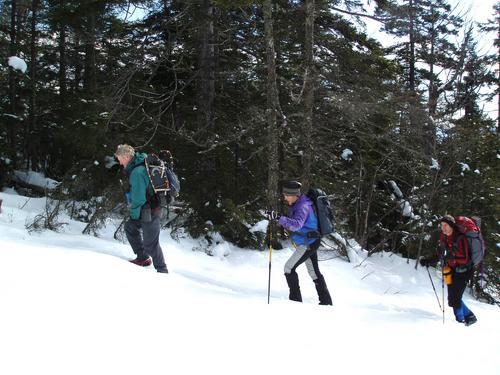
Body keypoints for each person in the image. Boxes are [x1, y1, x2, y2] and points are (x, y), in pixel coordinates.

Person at [271, 180, 332, 305]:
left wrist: (278, 218)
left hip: (308, 243)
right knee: (314, 272)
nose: (284, 197)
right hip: (311, 241)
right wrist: (277, 216)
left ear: (293, 195)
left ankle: (295, 302)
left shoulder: (302, 206)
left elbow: (296, 225)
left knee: (288, 268)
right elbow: (295, 221)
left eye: (286, 195)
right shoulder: (300, 203)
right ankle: (326, 302)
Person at [115, 144, 168, 273]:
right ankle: (143, 258)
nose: (120, 162)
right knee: (130, 227)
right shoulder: (140, 166)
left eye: (120, 159)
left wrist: (133, 214)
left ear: (127, 157)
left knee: (151, 243)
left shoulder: (137, 172)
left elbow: (138, 198)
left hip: (149, 210)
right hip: (148, 209)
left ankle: (162, 270)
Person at [420, 215, 477, 325]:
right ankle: (469, 316)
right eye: (442, 225)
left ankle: (460, 321)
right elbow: (440, 254)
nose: (443, 228)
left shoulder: (461, 238)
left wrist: (452, 256)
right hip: (451, 270)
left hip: (464, 271)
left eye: (445, 225)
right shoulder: (444, 237)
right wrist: (429, 260)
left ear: (451, 225)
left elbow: (465, 259)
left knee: (455, 299)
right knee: (452, 299)